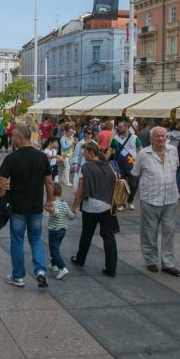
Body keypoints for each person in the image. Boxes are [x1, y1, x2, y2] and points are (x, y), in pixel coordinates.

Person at [0, 125, 54, 288]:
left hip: (17, 207)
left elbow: (1, 185)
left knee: (17, 241)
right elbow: (49, 182)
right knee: (36, 239)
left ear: (21, 138)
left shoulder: (12, 158)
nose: (12, 139)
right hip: (36, 206)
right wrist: (49, 200)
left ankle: (18, 277)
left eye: (14, 136)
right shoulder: (41, 157)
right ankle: (40, 271)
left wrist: (4, 199)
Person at [132, 126, 180, 276]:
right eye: (158, 136)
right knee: (149, 232)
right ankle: (151, 260)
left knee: (169, 231)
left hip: (171, 198)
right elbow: (136, 173)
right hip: (150, 199)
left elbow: (176, 168)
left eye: (163, 136)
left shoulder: (172, 150)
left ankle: (168, 263)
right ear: (151, 138)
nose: (161, 139)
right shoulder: (143, 154)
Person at [70, 141, 118, 277]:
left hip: (91, 206)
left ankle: (80, 259)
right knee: (108, 236)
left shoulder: (86, 167)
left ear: (91, 153)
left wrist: (73, 207)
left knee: (87, 233)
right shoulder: (109, 166)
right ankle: (111, 268)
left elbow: (80, 191)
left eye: (84, 152)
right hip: (108, 206)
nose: (83, 155)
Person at [107, 120, 142, 211]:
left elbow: (141, 151)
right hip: (119, 166)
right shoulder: (115, 139)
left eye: (120, 126)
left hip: (132, 166)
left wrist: (142, 163)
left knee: (133, 185)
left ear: (126, 127)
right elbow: (110, 150)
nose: (118, 128)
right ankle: (121, 202)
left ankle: (130, 200)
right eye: (118, 126)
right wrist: (104, 161)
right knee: (120, 185)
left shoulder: (135, 138)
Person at [47, 183, 77, 280]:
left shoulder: (54, 204)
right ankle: (53, 264)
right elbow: (70, 215)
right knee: (56, 247)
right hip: (62, 230)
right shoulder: (64, 203)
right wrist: (74, 213)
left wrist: (51, 210)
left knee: (53, 249)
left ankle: (62, 267)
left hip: (54, 230)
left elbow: (56, 213)